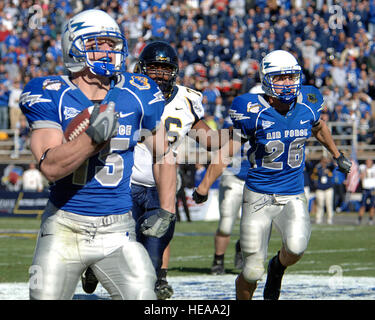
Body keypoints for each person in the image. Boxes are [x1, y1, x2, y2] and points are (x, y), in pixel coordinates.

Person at [19, 9, 176, 300]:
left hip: (118, 229)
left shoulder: (139, 90)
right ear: (73, 47)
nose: (107, 51)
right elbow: (50, 167)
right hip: (64, 226)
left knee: (146, 299)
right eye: (96, 44)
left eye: (111, 44)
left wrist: (167, 208)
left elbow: (163, 154)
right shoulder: (51, 91)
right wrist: (92, 138)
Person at [192, 50, 351, 300]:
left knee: (296, 248)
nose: (288, 83)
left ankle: (277, 267)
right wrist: (204, 186)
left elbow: (318, 127)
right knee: (252, 271)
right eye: (280, 78)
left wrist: (336, 154)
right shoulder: (251, 109)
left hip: (293, 193)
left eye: (291, 77)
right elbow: (227, 151)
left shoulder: (309, 101)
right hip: (258, 196)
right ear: (267, 79)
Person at [81, 41, 226, 299]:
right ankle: (95, 264)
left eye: (164, 69)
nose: (159, 75)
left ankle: (154, 282)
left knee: (153, 254)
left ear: (174, 72)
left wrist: (236, 139)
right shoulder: (126, 92)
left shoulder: (187, 101)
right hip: (128, 183)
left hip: (163, 189)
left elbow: (213, 141)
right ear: (141, 69)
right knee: (118, 244)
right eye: (154, 69)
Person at [210, 115, 250, 275]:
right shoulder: (234, 119)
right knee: (226, 224)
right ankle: (218, 260)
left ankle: (242, 248)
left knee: (253, 225)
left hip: (255, 179)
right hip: (232, 176)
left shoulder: (268, 117)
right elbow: (220, 139)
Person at [310, 157, 335, 224]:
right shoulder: (318, 168)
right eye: (323, 161)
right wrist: (316, 185)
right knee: (320, 204)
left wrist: (330, 161)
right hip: (320, 189)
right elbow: (313, 176)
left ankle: (330, 218)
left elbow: (333, 165)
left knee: (329, 204)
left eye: (325, 162)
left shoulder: (330, 167)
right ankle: (318, 218)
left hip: (328, 189)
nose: (324, 163)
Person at [357, 159, 375, 225]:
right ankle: (359, 219)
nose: (368, 163)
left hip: (373, 189)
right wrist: (364, 171)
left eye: (369, 162)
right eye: (367, 162)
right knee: (363, 205)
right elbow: (360, 177)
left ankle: (370, 219)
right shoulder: (363, 167)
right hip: (365, 189)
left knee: (372, 206)